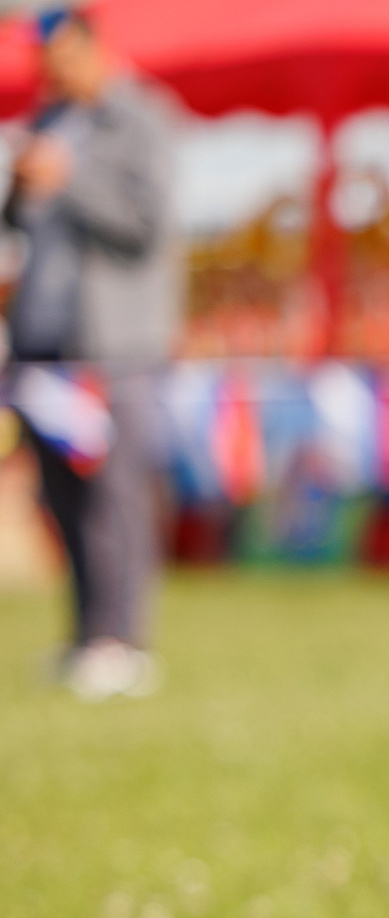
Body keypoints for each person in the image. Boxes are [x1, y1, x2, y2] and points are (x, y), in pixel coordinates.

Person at [4, 5, 179, 702]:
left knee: (115, 495)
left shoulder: (141, 117)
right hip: (43, 345)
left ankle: (122, 642)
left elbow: (143, 225)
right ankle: (85, 638)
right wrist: (20, 182)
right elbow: (17, 221)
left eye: (58, 50)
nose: (47, 66)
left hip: (113, 349)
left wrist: (66, 178)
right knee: (61, 496)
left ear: (89, 46)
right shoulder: (44, 122)